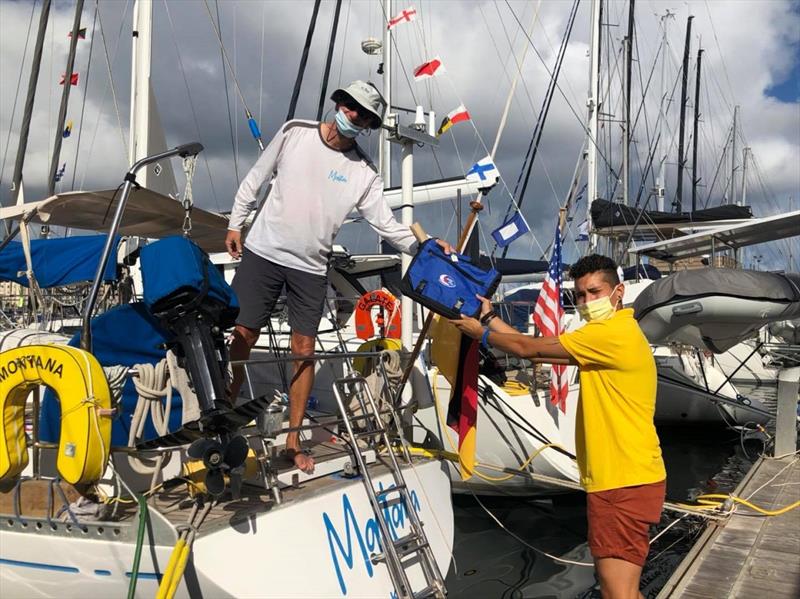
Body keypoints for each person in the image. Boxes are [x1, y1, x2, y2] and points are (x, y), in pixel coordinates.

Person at [226, 80, 451, 474]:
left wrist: (427, 246)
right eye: (349, 106)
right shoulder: (295, 131)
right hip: (262, 251)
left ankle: (292, 440)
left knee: (305, 347)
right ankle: (223, 415)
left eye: (363, 115)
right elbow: (255, 178)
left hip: (311, 267)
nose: (352, 116)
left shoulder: (365, 171)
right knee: (242, 335)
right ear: (339, 103)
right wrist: (235, 224)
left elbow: (387, 226)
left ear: (368, 124)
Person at [450, 254, 666, 599]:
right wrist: (490, 317)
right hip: (627, 477)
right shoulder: (608, 336)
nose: (586, 302)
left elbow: (528, 348)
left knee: (616, 592)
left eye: (595, 292)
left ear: (619, 291)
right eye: (580, 295)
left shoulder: (611, 334)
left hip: (623, 482)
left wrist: (482, 333)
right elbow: (536, 351)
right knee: (622, 589)